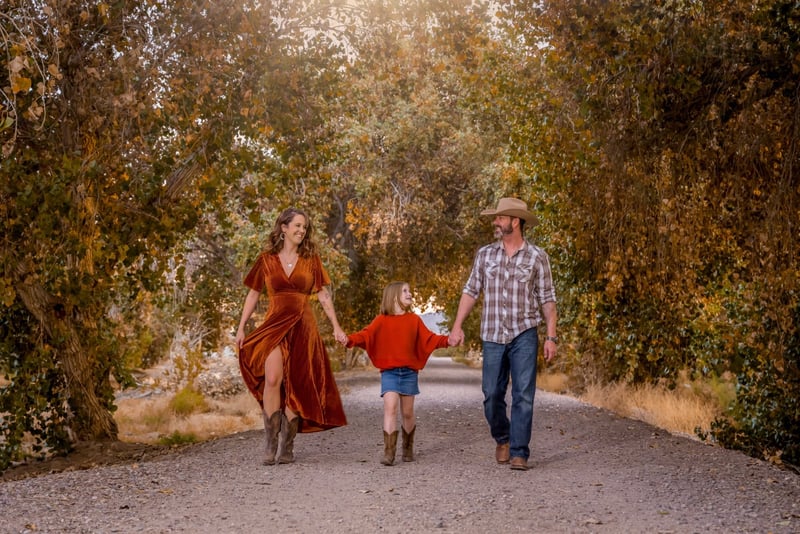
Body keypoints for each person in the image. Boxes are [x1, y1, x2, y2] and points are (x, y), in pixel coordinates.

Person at [449, 197, 558, 472]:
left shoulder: (537, 257)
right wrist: (457, 325)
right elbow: (471, 291)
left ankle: (519, 452)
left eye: (500, 218)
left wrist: (551, 336)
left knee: (524, 394)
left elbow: (547, 299)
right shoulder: (485, 254)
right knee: (491, 394)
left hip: (525, 333)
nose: (495, 222)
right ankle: (503, 438)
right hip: (493, 334)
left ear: (515, 222)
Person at [235, 207, 348, 466]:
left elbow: (323, 295)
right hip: (274, 325)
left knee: (297, 383)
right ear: (283, 228)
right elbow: (253, 294)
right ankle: (270, 443)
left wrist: (336, 326)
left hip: (303, 326)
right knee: (273, 378)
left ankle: (287, 443)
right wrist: (241, 328)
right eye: (297, 225)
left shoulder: (311, 259)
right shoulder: (266, 260)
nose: (301, 230)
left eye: (304, 227)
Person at [342, 281, 455, 466]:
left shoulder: (414, 320)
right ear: (393, 296)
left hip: (409, 373)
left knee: (408, 413)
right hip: (390, 373)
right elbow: (365, 335)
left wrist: (448, 340)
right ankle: (389, 452)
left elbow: (430, 338)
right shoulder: (381, 320)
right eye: (405, 291)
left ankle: (408, 448)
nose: (410, 294)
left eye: (409, 290)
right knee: (390, 408)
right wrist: (348, 340)